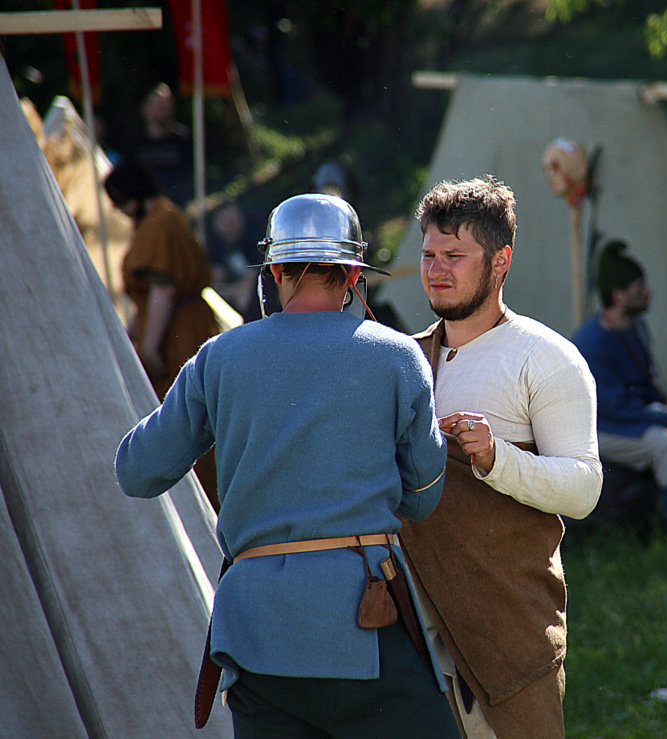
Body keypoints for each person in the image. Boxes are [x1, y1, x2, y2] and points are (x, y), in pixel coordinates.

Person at [114, 193, 458, 738]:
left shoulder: (218, 357)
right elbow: (422, 497)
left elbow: (136, 470)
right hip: (363, 622)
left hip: (254, 634)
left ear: (273, 271)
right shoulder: (398, 356)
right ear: (352, 274)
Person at [400, 175, 603, 738]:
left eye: (455, 255)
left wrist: (495, 458)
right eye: (429, 254)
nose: (436, 269)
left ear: (500, 260)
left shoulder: (546, 358)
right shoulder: (404, 360)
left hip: (505, 622)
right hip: (408, 629)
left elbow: (584, 489)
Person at [104, 160, 220, 506]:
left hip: (175, 334)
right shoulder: (168, 215)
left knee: (181, 420)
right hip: (186, 324)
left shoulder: (158, 225)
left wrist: (150, 348)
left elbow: (162, 291)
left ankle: (195, 508)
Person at [571, 240, 667, 532]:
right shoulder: (592, 343)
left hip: (628, 419)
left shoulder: (634, 327)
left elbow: (643, 382)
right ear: (619, 295)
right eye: (638, 289)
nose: (647, 293)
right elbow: (618, 408)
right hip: (604, 427)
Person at [124, 83, 193, 207]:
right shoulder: (136, 145)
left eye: (167, 104)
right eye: (159, 105)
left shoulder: (182, 141)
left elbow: (188, 178)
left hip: (176, 207)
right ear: (146, 109)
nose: (164, 109)